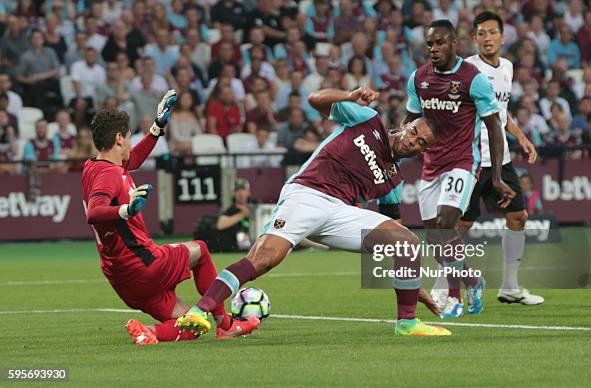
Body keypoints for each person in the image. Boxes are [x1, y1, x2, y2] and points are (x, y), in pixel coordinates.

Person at [175, 87, 449, 337]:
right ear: (404, 125)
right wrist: (347, 96)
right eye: (414, 132)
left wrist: (410, 284)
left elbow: (393, 228)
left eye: (422, 143)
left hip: (339, 212)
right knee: (264, 259)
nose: (414, 141)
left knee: (408, 244)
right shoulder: (369, 120)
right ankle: (198, 312)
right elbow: (315, 99)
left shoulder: (392, 178)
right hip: (307, 194)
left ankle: (407, 323)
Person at [82, 90, 259, 346]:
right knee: (201, 249)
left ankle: (148, 332)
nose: (131, 145)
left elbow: (134, 159)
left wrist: (156, 128)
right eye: (129, 139)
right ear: (119, 138)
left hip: (122, 279)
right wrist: (126, 210)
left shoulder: (93, 166)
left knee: (193, 325)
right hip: (144, 264)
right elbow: (94, 212)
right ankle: (226, 325)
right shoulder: (110, 174)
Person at [401, 19, 515, 318]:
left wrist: (498, 176)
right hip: (431, 165)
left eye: (440, 43)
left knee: (446, 222)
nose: (434, 49)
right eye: (430, 44)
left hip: (463, 162)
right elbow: (410, 122)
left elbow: (494, 126)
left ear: (454, 43)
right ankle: (473, 281)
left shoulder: (472, 78)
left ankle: (454, 297)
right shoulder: (418, 78)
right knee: (436, 240)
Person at [430, 12, 544, 308]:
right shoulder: (466, 68)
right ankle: (443, 285)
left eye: (492, 32)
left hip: (500, 159)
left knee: (518, 217)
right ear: (475, 39)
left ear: (503, 38)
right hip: (470, 159)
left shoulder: (507, 67)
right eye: (481, 33)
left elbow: (499, 113)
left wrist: (520, 136)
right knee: (460, 224)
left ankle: (510, 287)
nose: (488, 38)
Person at [216, 178, 253, 251]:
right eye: (238, 191)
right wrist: (242, 215)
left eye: (243, 190)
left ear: (248, 192)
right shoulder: (231, 210)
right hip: (236, 249)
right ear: (234, 193)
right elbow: (220, 224)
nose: (241, 193)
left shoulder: (255, 208)